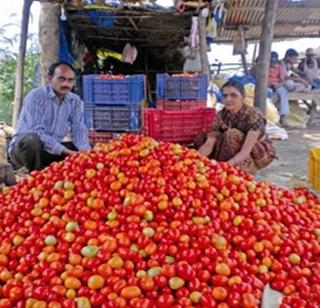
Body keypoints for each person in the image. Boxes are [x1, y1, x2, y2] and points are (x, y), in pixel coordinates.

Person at [9, 62, 91, 172]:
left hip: (48, 151)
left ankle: (54, 171)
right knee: (32, 139)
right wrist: (65, 151)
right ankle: (35, 174)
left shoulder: (74, 100)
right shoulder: (36, 96)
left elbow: (78, 128)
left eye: (70, 80)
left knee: (78, 147)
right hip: (23, 151)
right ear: (49, 78)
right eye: (61, 79)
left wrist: (86, 153)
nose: (66, 84)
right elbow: (36, 131)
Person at [195, 80, 275, 174]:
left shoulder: (253, 115)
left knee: (232, 134)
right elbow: (209, 143)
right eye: (225, 96)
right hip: (233, 149)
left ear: (243, 97)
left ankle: (247, 169)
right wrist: (195, 160)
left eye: (233, 95)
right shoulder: (221, 115)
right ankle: (218, 167)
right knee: (201, 137)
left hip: (255, 152)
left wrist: (226, 165)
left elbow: (246, 149)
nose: (228, 99)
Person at [267, 51, 290, 127]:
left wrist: (279, 84)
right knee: (268, 93)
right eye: (271, 61)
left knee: (284, 91)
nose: (273, 63)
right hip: (266, 85)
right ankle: (269, 117)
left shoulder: (279, 66)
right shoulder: (264, 66)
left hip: (276, 85)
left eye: (274, 61)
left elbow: (282, 79)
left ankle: (283, 117)